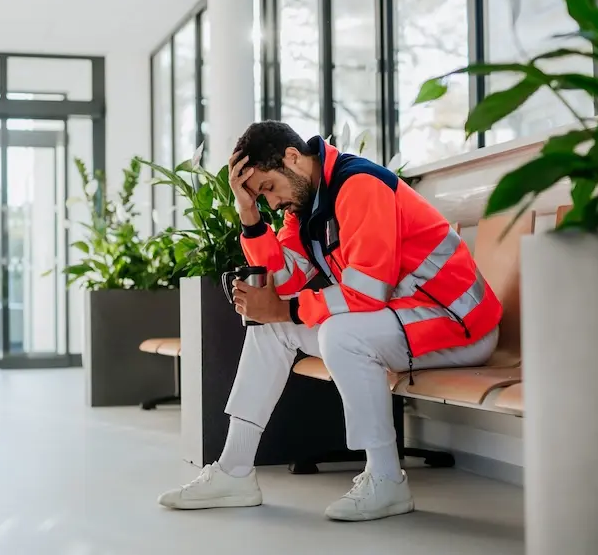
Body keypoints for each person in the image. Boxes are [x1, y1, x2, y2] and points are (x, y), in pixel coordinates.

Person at [158, 121, 503, 521]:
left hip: (457, 324)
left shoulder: (360, 185)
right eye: (261, 196)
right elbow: (285, 280)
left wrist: (285, 309)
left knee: (340, 334)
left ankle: (387, 478)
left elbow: (368, 292)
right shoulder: (306, 205)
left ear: (292, 158)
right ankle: (234, 469)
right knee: (271, 327)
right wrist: (249, 217)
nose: (271, 202)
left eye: (268, 188)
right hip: (405, 320)